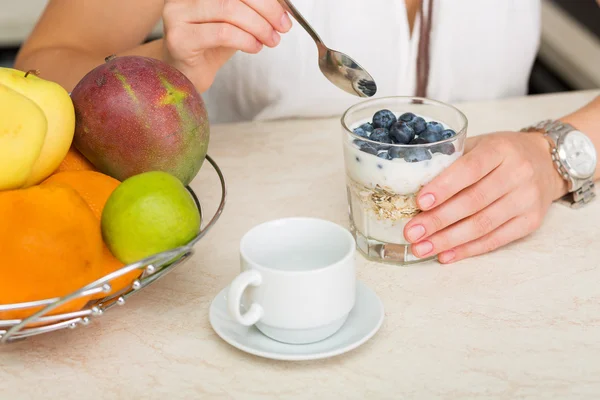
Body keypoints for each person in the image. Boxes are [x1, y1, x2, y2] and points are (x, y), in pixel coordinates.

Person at [14, 0, 600, 263]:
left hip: (509, 268)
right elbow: (44, 66)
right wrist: (163, 65)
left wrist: (560, 151)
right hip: (268, 266)